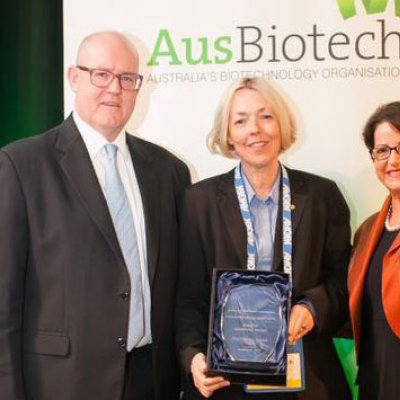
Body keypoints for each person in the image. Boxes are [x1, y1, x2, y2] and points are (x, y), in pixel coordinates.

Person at [0, 31, 190, 400]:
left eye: (127, 78)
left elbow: (179, 286)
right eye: (101, 74)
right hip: (62, 383)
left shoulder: (169, 172)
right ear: (74, 77)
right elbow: (3, 303)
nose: (114, 89)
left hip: (151, 380)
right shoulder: (21, 166)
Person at [176, 77, 351, 400]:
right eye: (240, 120)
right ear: (228, 134)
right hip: (227, 381)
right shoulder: (197, 202)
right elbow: (187, 296)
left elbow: (344, 280)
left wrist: (313, 307)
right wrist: (193, 356)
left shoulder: (323, 196)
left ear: (282, 124)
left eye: (266, 116)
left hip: (307, 378)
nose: (255, 129)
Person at [348, 102, 400, 400]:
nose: (392, 160)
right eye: (382, 150)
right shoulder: (368, 231)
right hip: (375, 381)